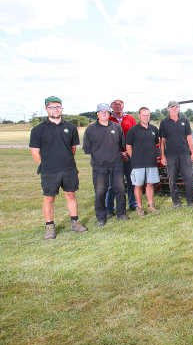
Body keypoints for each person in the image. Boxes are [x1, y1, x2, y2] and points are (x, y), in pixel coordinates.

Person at [29, 96, 88, 240]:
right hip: (49, 171)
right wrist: (45, 166)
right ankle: (50, 226)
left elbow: (72, 149)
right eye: (51, 107)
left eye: (57, 107)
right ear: (46, 109)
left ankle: (75, 222)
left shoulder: (71, 127)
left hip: (68, 169)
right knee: (49, 198)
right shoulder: (38, 129)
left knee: (71, 195)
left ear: (62, 108)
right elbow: (35, 152)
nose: (55, 110)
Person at [83, 103, 130, 227]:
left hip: (116, 165)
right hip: (99, 167)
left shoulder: (116, 127)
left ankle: (121, 214)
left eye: (106, 112)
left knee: (120, 189)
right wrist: (100, 159)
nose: (104, 113)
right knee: (100, 192)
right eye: (101, 111)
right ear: (97, 114)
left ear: (110, 114)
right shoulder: (90, 129)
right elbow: (88, 150)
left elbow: (122, 146)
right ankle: (101, 218)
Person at [159, 100, 193, 208]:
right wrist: (163, 156)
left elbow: (189, 138)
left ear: (179, 108)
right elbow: (162, 140)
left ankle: (190, 201)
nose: (174, 109)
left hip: (184, 154)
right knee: (172, 179)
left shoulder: (184, 121)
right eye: (172, 107)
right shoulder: (164, 122)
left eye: (176, 107)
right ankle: (176, 202)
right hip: (171, 155)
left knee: (189, 178)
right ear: (168, 109)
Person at [126, 107, 160, 217]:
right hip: (138, 163)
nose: (146, 117)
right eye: (143, 115)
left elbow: (155, 144)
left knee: (150, 184)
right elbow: (128, 146)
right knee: (138, 185)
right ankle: (139, 207)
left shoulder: (154, 129)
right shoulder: (133, 130)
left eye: (148, 115)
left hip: (151, 162)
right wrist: (133, 158)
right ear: (139, 116)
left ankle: (151, 206)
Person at [106, 99, 137, 216]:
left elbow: (135, 134)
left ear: (123, 106)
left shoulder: (130, 118)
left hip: (129, 155)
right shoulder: (107, 119)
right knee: (112, 184)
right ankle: (109, 209)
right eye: (115, 105)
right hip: (114, 156)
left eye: (120, 104)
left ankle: (133, 203)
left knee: (131, 181)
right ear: (111, 107)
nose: (118, 107)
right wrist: (119, 152)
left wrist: (128, 152)